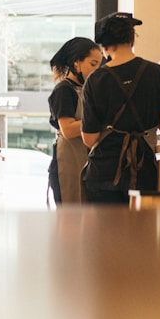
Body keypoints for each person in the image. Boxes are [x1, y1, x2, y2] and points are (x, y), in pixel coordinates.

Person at [81, 12, 160, 204]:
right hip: (143, 173)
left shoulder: (95, 79)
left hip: (103, 173)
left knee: (104, 234)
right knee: (141, 233)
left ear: (104, 46)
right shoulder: (158, 73)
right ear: (132, 38)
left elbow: (89, 138)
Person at [48, 36, 102, 204]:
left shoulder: (87, 90)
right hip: (67, 163)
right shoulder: (63, 90)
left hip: (84, 161)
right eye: (93, 64)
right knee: (71, 220)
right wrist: (99, 121)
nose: (97, 70)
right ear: (77, 63)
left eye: (99, 65)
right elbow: (68, 129)